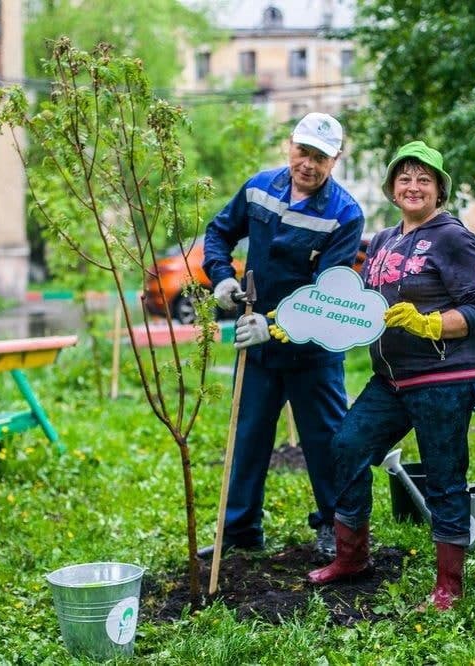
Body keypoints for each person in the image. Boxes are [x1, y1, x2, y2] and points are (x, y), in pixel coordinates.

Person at [305, 141, 475, 612]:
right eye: (405, 178)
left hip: (442, 379)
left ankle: (449, 584)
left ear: (439, 191)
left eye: (424, 179)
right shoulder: (385, 240)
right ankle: (352, 558)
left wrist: (431, 323)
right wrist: (301, 323)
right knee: (347, 445)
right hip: (390, 379)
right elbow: (359, 308)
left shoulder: (454, 237)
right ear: (392, 188)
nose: (414, 186)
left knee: (444, 477)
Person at [200, 112, 366, 559]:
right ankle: (239, 531)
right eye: (303, 151)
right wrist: (220, 278)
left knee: (326, 441)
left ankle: (334, 526)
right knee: (247, 436)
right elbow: (218, 232)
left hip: (312, 352)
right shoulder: (259, 188)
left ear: (335, 161)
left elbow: (324, 296)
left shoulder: (344, 214)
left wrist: (271, 327)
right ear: (289, 144)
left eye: (320, 158)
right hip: (256, 351)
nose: (308, 164)